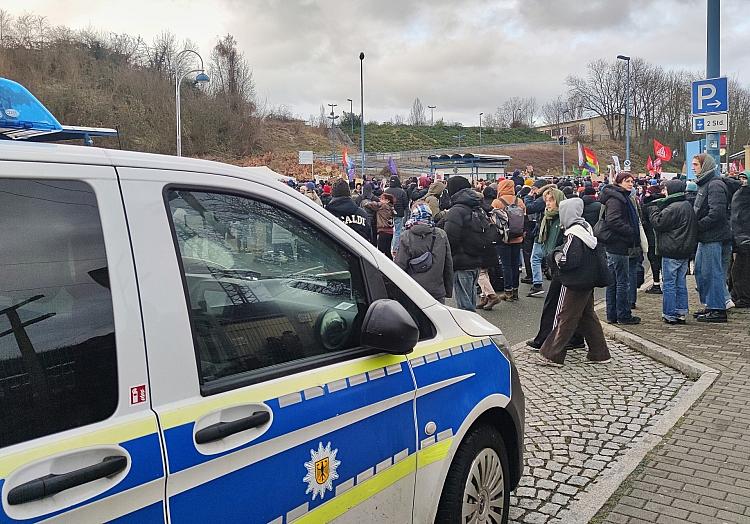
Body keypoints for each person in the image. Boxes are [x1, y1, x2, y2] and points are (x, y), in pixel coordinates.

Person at [537, 199, 611, 367]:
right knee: (587, 316)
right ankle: (599, 353)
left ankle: (552, 354)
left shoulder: (573, 234)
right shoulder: (586, 228)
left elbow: (568, 260)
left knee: (565, 316)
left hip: (574, 280)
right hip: (587, 279)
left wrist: (555, 256)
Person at [645, 179, 698, 324]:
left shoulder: (673, 207)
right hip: (684, 250)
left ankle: (669, 313)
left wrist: (653, 210)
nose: (664, 192)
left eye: (666, 189)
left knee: (669, 284)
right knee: (680, 283)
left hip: (671, 250)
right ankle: (681, 312)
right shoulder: (687, 205)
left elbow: (658, 223)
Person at [692, 154, 731, 322]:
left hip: (713, 237)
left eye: (696, 164)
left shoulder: (714, 185)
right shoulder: (705, 184)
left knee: (712, 273)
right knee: (702, 271)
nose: (693, 167)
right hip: (706, 237)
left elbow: (716, 213)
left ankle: (717, 309)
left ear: (705, 165)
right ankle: (711, 305)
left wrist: (697, 226)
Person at [598, 172, 641, 325]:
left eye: (632, 181)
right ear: (619, 182)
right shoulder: (617, 199)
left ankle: (613, 314)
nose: (630, 184)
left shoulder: (620, 197)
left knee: (614, 281)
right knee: (622, 281)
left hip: (615, 244)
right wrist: (630, 231)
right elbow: (613, 220)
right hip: (618, 244)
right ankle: (623, 314)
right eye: (627, 181)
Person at [438, 176, 485, 311]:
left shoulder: (456, 210)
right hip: (475, 259)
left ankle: (470, 330)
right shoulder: (476, 206)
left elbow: (450, 238)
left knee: (465, 306)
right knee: (470, 301)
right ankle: (475, 327)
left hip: (461, 261)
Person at [394, 203, 453, 303]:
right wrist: (447, 290)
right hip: (436, 291)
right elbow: (448, 264)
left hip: (413, 291)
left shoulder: (406, 236)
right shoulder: (441, 234)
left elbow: (400, 266)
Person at [493, 179, 526, 301]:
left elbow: (493, 220)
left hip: (504, 238)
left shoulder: (497, 202)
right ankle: (516, 290)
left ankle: (508, 291)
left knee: (506, 265)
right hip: (518, 237)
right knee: (515, 264)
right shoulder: (520, 201)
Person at [527, 187, 565, 297]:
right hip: (551, 255)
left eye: (551, 200)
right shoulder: (547, 216)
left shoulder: (563, 218)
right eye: (546, 200)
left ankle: (537, 284)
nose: (547, 204)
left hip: (559, 260)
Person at [729, 170, 750, 307]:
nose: (742, 181)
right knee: (737, 270)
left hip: (745, 237)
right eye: (740, 178)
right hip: (740, 236)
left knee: (742, 270)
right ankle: (738, 294)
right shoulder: (740, 193)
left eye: (744, 178)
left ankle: (744, 297)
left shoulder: (744, 194)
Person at [641, 183, 663, 294]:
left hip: (651, 238)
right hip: (665, 239)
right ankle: (665, 282)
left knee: (654, 261)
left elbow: (644, 222)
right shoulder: (665, 204)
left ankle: (656, 284)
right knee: (663, 262)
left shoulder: (647, 207)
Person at [363, 192, 396, 259]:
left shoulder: (383, 206)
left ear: (387, 201)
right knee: (387, 251)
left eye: (382, 199)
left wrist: (365, 203)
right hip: (390, 231)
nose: (380, 200)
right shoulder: (391, 207)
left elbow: (371, 204)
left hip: (383, 230)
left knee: (381, 251)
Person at [384, 175, 409, 256]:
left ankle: (388, 247)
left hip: (388, 214)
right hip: (399, 213)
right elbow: (405, 204)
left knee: (389, 231)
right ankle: (395, 248)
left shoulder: (386, 191)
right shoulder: (402, 191)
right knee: (398, 231)